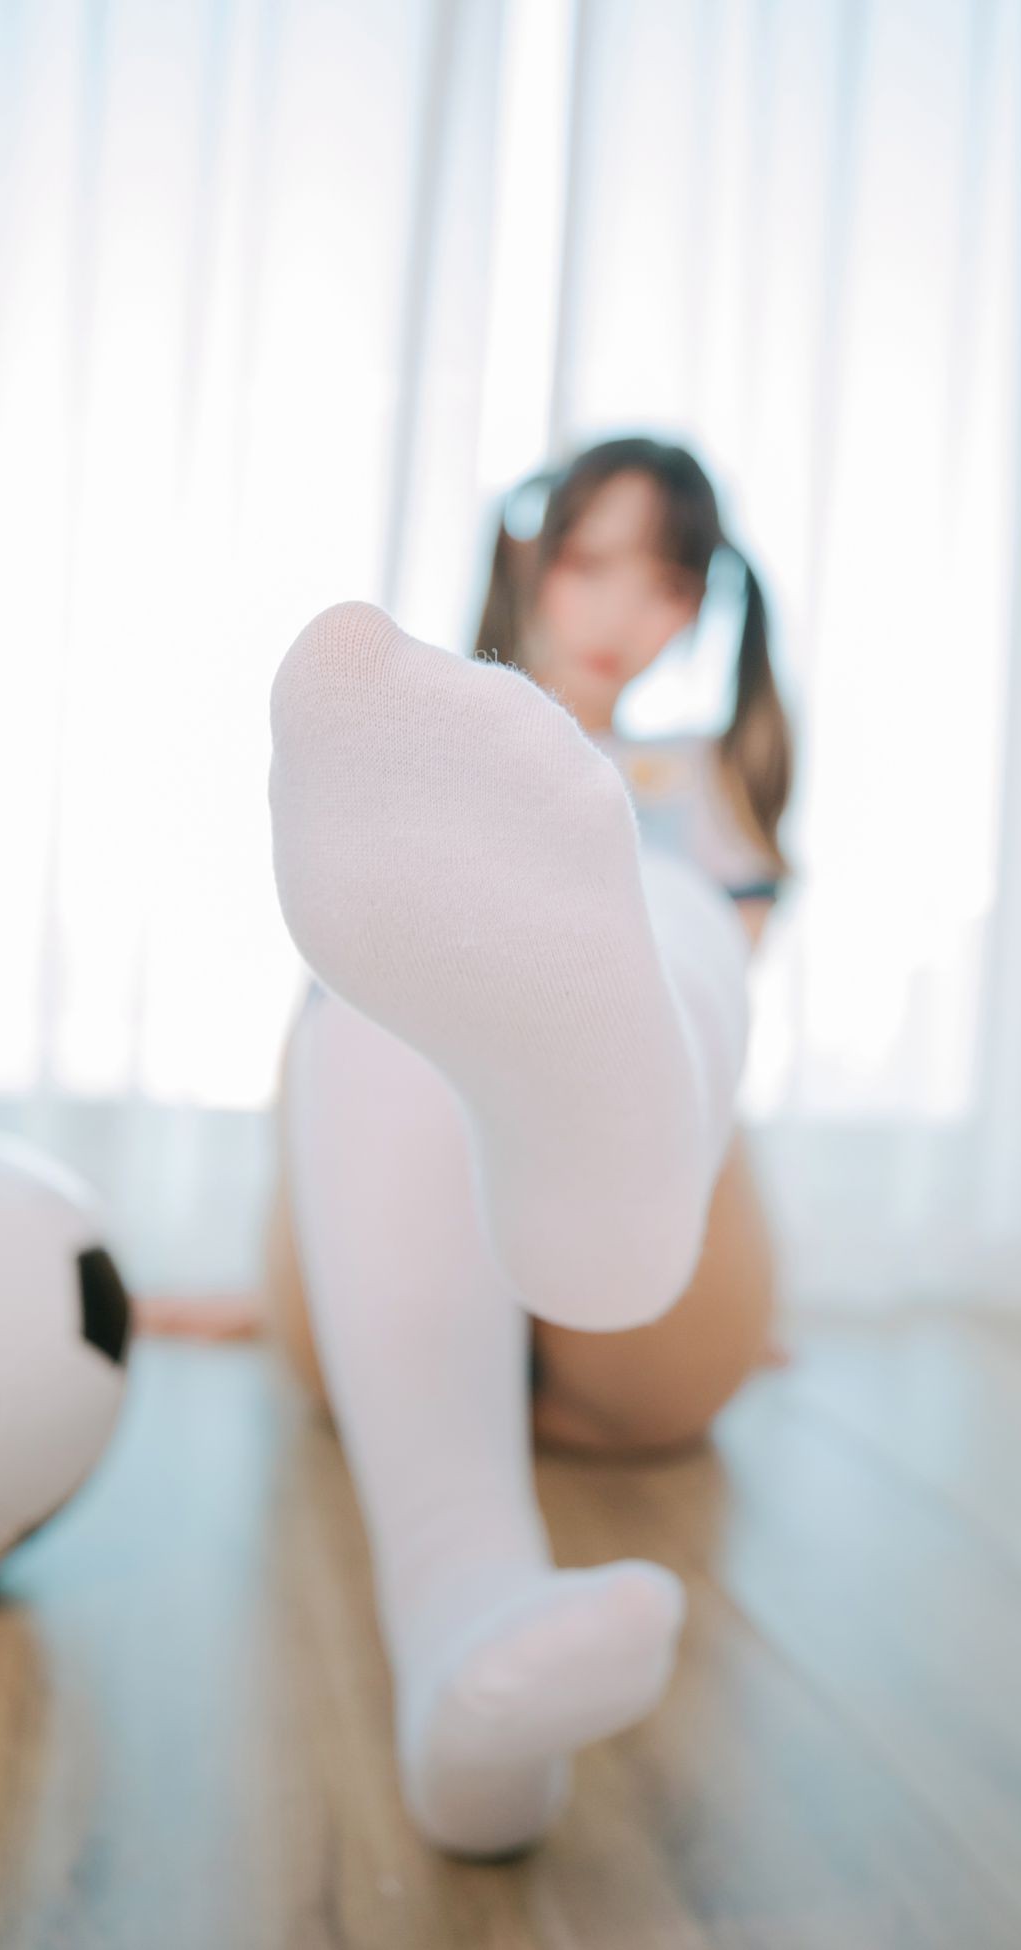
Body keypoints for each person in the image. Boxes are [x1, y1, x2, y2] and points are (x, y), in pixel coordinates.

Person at [247, 436, 796, 1859]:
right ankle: (468, 1639)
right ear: (527, 556)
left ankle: (607, 1156)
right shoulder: (400, 767)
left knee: (669, 901)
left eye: (661, 582)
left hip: (638, 1309)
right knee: (376, 1018)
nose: (616, 610)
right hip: (396, 1259)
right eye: (587, 562)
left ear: (699, 608)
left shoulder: (706, 782)